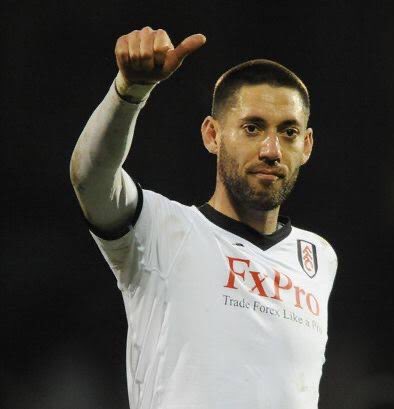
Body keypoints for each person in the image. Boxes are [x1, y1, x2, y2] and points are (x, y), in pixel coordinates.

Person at [69, 26, 338, 408]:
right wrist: (129, 92)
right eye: (252, 128)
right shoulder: (161, 229)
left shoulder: (319, 258)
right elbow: (90, 177)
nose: (271, 150)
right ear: (212, 135)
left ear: (306, 145)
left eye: (288, 132)